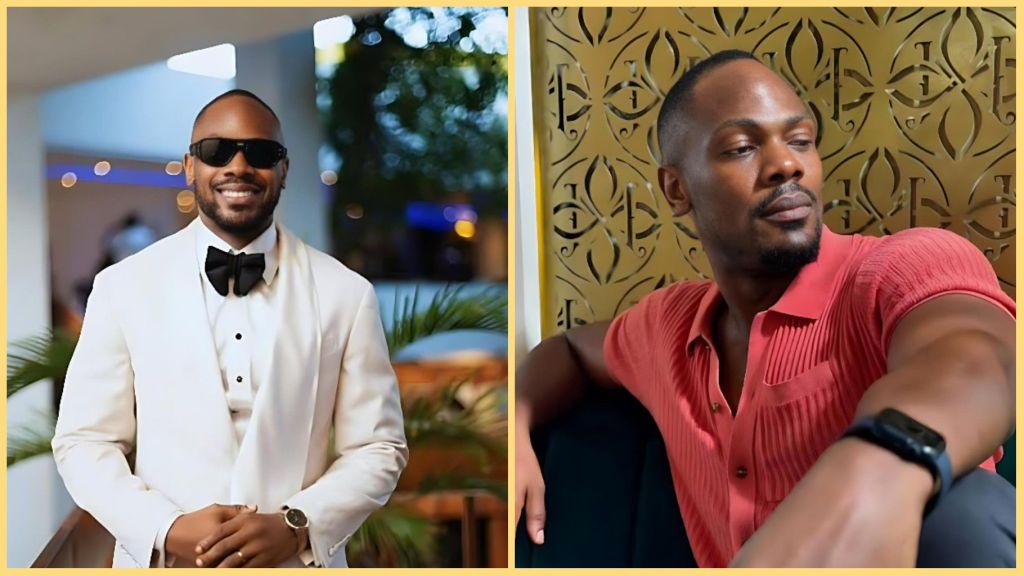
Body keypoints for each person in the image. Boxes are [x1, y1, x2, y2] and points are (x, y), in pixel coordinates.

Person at [515, 50, 1015, 568]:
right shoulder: (667, 327)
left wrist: (880, 463)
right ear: (677, 189)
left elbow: (978, 359)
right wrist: (515, 422)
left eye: (800, 140)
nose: (786, 165)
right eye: (742, 148)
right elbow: (569, 349)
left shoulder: (900, 268)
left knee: (967, 508)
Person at [52, 89, 408, 568]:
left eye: (260, 153)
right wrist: (165, 527)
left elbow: (379, 446)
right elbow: (83, 442)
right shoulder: (123, 287)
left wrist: (299, 524)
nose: (238, 166)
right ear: (190, 166)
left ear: (284, 169)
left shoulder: (346, 292)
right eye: (217, 151)